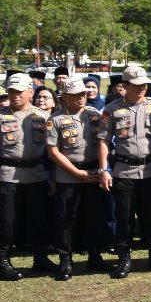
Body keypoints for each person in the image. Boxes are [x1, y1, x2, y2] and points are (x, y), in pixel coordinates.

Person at [98, 64, 151, 278]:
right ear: (125, 85)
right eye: (137, 85)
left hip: (150, 170)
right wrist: (104, 169)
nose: (142, 89)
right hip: (123, 171)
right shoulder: (111, 109)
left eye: (144, 85)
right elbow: (103, 141)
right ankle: (124, 259)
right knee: (124, 217)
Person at [46, 76, 109, 279]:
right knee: (66, 219)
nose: (81, 97)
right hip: (68, 175)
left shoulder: (95, 115)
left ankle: (94, 256)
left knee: (94, 217)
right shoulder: (55, 119)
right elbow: (52, 151)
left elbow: (104, 143)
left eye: (83, 94)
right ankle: (66, 260)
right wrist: (75, 172)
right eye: (75, 95)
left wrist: (100, 170)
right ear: (64, 96)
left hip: (92, 173)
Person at [0, 73, 51, 280]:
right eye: (11, 91)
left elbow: (51, 150)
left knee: (38, 219)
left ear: (31, 92)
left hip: (37, 174)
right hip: (8, 174)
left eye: (19, 91)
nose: (15, 96)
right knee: (7, 221)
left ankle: (40, 258)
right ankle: (3, 260)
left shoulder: (43, 116)